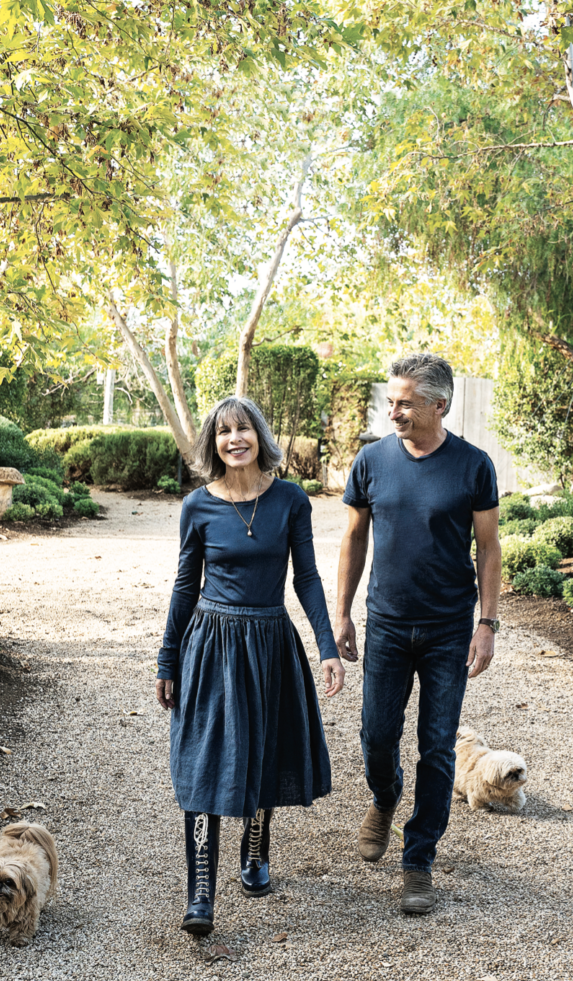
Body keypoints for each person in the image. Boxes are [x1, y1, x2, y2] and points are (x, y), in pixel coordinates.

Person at [156, 396, 344, 936]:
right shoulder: (198, 506)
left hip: (269, 641)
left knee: (266, 747)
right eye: (222, 432)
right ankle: (199, 890)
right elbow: (184, 586)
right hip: (212, 643)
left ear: (259, 435)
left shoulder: (289, 500)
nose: (234, 439)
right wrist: (168, 659)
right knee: (203, 760)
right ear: (212, 444)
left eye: (243, 429)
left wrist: (327, 647)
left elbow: (306, 578)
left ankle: (256, 849)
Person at [335, 353, 501, 915]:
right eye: (392, 400)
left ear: (439, 405)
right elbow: (353, 541)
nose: (394, 410)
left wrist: (487, 623)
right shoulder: (371, 461)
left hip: (448, 629)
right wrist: (343, 613)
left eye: (405, 402)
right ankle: (384, 796)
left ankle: (418, 859)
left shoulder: (473, 466)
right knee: (377, 737)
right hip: (385, 622)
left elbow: (489, 548)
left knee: (437, 746)